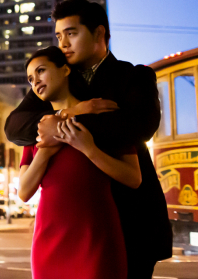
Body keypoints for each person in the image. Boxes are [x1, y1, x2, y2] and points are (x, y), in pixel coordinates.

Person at [5, 0, 172, 278]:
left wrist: (58, 122)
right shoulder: (55, 81)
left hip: (132, 216)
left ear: (99, 33)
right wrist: (76, 110)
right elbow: (15, 127)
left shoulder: (134, 77)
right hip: (70, 224)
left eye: (71, 33)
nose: (63, 44)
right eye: (59, 36)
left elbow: (138, 126)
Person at [19, 46, 143, 278]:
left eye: (41, 71)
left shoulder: (102, 114)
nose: (35, 81)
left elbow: (134, 178)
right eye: (30, 78)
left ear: (65, 69)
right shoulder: (36, 128)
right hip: (48, 241)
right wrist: (45, 150)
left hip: (96, 237)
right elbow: (24, 192)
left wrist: (88, 148)